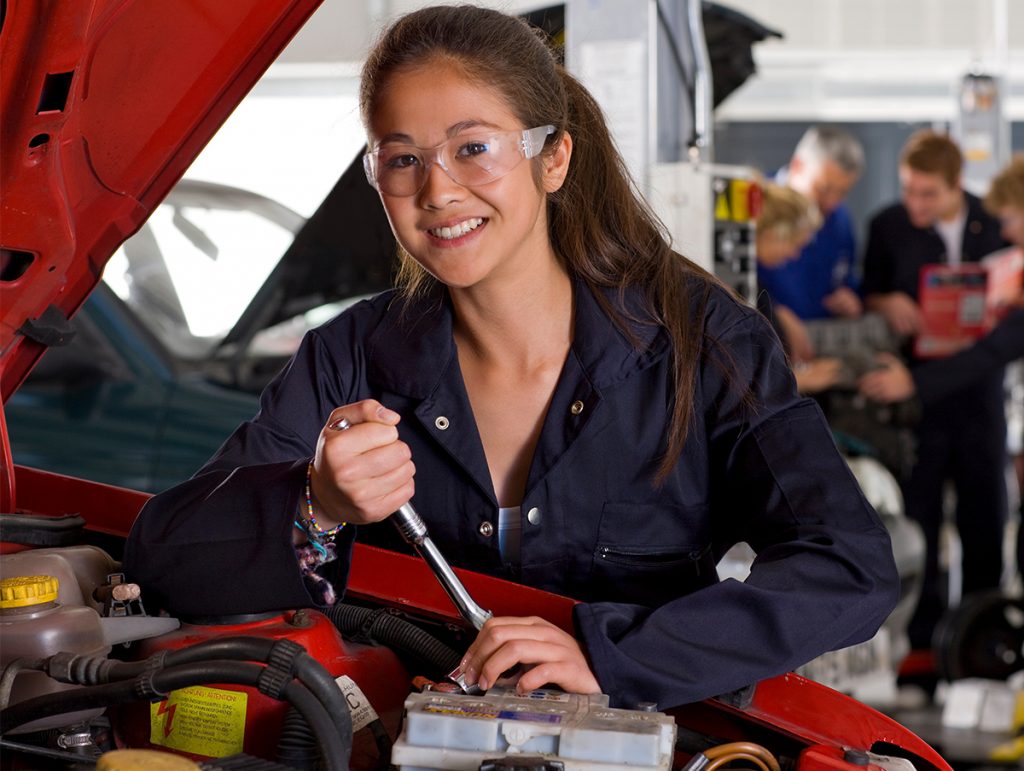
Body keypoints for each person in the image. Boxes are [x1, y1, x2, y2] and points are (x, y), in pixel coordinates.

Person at [123, 5, 898, 710]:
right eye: (401, 160)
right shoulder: (347, 358)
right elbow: (163, 555)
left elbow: (848, 566)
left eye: (474, 148)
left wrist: (614, 654)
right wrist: (316, 504)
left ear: (552, 158)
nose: (438, 190)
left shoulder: (702, 343)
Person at [861, 129, 1008, 651]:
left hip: (977, 395)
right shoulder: (888, 226)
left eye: (929, 194)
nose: (915, 203)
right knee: (918, 522)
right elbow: (865, 296)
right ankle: (921, 648)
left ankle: (983, 641)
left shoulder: (996, 226)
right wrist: (884, 302)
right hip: (914, 402)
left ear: (957, 186)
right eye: (909, 190)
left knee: (983, 520)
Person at [757, 125, 865, 321]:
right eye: (824, 189)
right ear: (798, 165)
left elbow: (846, 277)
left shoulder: (840, 221)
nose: (832, 202)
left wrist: (850, 297)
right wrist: (773, 314)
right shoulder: (755, 204)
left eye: (842, 193)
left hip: (820, 337)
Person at [755, 181, 842, 394]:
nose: (795, 255)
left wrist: (779, 312)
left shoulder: (756, 285)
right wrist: (799, 380)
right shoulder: (731, 287)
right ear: (772, 235)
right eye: (795, 244)